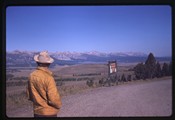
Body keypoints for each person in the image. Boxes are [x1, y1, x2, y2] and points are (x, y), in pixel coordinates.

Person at [26, 51, 62, 117]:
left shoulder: (31, 75)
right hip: (49, 113)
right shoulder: (49, 78)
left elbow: (29, 95)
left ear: (37, 62)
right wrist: (59, 105)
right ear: (49, 64)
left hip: (37, 112)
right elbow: (53, 99)